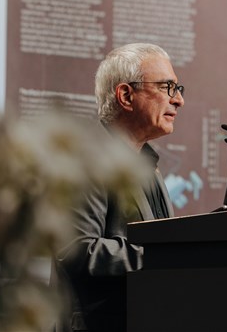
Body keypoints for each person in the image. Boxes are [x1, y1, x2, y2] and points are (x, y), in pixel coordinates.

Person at [52, 43, 184, 331]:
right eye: (167, 87)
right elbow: (76, 249)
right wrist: (163, 257)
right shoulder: (86, 158)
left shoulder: (148, 165)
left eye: (178, 89)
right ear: (125, 95)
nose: (178, 101)